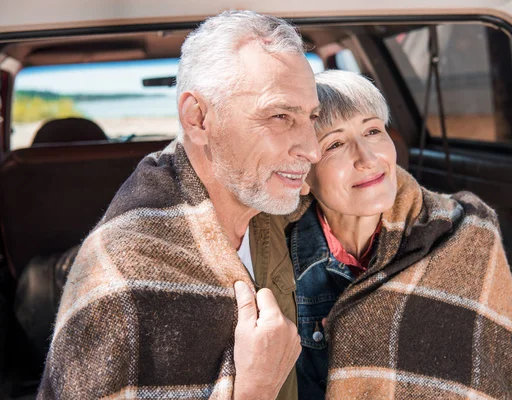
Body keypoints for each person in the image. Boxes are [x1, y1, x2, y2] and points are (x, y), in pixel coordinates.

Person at [38, 11, 321, 400]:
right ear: (198, 118)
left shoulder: (281, 209)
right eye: (281, 116)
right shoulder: (121, 276)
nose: (312, 148)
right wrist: (257, 389)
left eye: (312, 117)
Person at [288, 70, 512, 399]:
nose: (368, 158)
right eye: (335, 144)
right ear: (303, 175)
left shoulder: (464, 231)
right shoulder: (273, 252)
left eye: (373, 130)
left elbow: (502, 373)